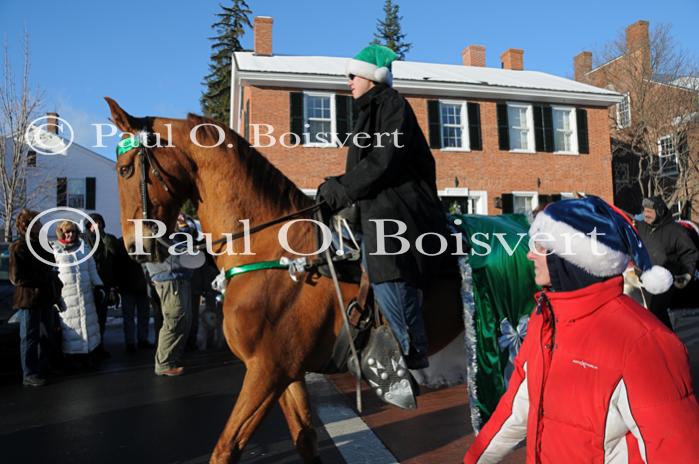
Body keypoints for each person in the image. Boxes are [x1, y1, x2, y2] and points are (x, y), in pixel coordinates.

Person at [464, 196, 699, 463]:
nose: (529, 254)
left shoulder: (644, 343)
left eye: (540, 245)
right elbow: (517, 408)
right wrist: (474, 458)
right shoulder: (543, 320)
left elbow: (676, 452)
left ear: (569, 257)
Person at [317, 44, 455, 369]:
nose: (349, 81)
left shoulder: (392, 104)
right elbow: (363, 170)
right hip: (379, 201)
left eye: (353, 75)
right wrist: (335, 187)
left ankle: (407, 347)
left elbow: (384, 160)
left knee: (384, 256)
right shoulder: (368, 111)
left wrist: (342, 189)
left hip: (401, 205)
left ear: (370, 77)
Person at [9, 209, 61, 387]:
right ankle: (29, 373)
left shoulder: (43, 244)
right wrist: (43, 278)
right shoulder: (19, 247)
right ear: (28, 226)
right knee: (29, 337)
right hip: (29, 299)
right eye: (37, 223)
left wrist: (52, 277)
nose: (40, 225)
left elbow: (52, 264)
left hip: (46, 297)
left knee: (47, 335)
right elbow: (16, 277)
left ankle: (44, 367)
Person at [636, 196, 698, 328]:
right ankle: (661, 340)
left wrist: (686, 275)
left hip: (665, 279)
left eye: (649, 211)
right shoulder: (642, 227)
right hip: (645, 278)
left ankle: (668, 343)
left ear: (659, 211)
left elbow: (690, 253)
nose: (646, 215)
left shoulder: (676, 231)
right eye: (644, 211)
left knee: (657, 313)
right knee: (648, 314)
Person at [52, 220, 104, 367]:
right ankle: (72, 359)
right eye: (67, 232)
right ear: (61, 232)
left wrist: (100, 286)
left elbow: (92, 269)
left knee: (89, 325)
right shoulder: (55, 250)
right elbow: (53, 275)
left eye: (73, 232)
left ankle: (89, 354)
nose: (70, 235)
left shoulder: (84, 249)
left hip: (86, 295)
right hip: (67, 298)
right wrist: (54, 296)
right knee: (71, 329)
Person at [145, 248, 192, 376]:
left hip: (178, 275)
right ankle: (164, 364)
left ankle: (172, 358)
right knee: (174, 320)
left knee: (183, 320)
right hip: (169, 275)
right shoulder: (157, 229)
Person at [82, 213, 121, 358]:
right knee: (88, 319)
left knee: (101, 318)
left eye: (99, 222)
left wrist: (102, 235)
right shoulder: (82, 239)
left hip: (104, 284)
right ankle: (87, 348)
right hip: (87, 285)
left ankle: (100, 346)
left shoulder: (107, 238)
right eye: (93, 223)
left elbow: (115, 252)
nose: (96, 225)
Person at [116, 237, 152, 352]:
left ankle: (142, 340)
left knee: (143, 315)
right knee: (129, 317)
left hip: (142, 286)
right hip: (128, 287)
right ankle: (130, 342)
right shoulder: (122, 243)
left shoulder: (144, 240)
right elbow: (118, 266)